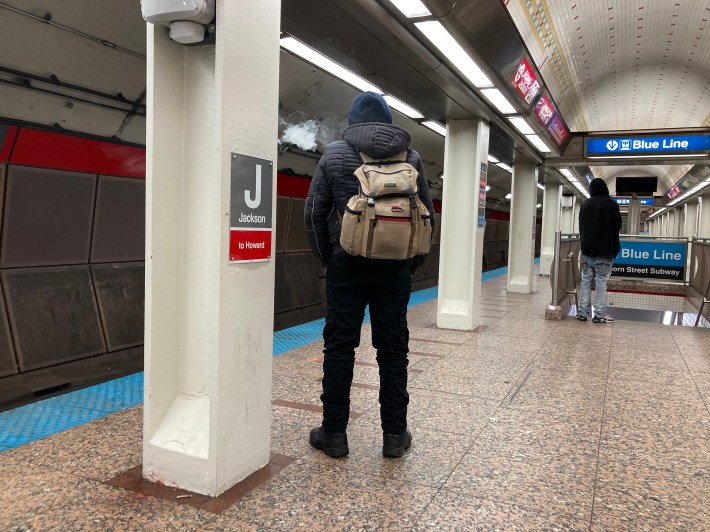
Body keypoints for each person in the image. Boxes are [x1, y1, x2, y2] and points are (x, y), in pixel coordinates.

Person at [304, 92, 435, 458]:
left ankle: (334, 435)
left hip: (346, 265)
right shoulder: (411, 157)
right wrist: (409, 262)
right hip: (394, 268)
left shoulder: (334, 154)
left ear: (352, 122)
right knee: (393, 350)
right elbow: (426, 215)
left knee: (340, 347)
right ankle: (394, 436)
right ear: (389, 121)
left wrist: (330, 257)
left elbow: (313, 212)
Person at [577, 178, 622, 323]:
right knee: (601, 282)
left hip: (587, 251)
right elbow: (618, 226)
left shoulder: (585, 205)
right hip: (605, 251)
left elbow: (581, 227)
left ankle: (582, 313)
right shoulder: (612, 205)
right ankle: (599, 315)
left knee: (585, 282)